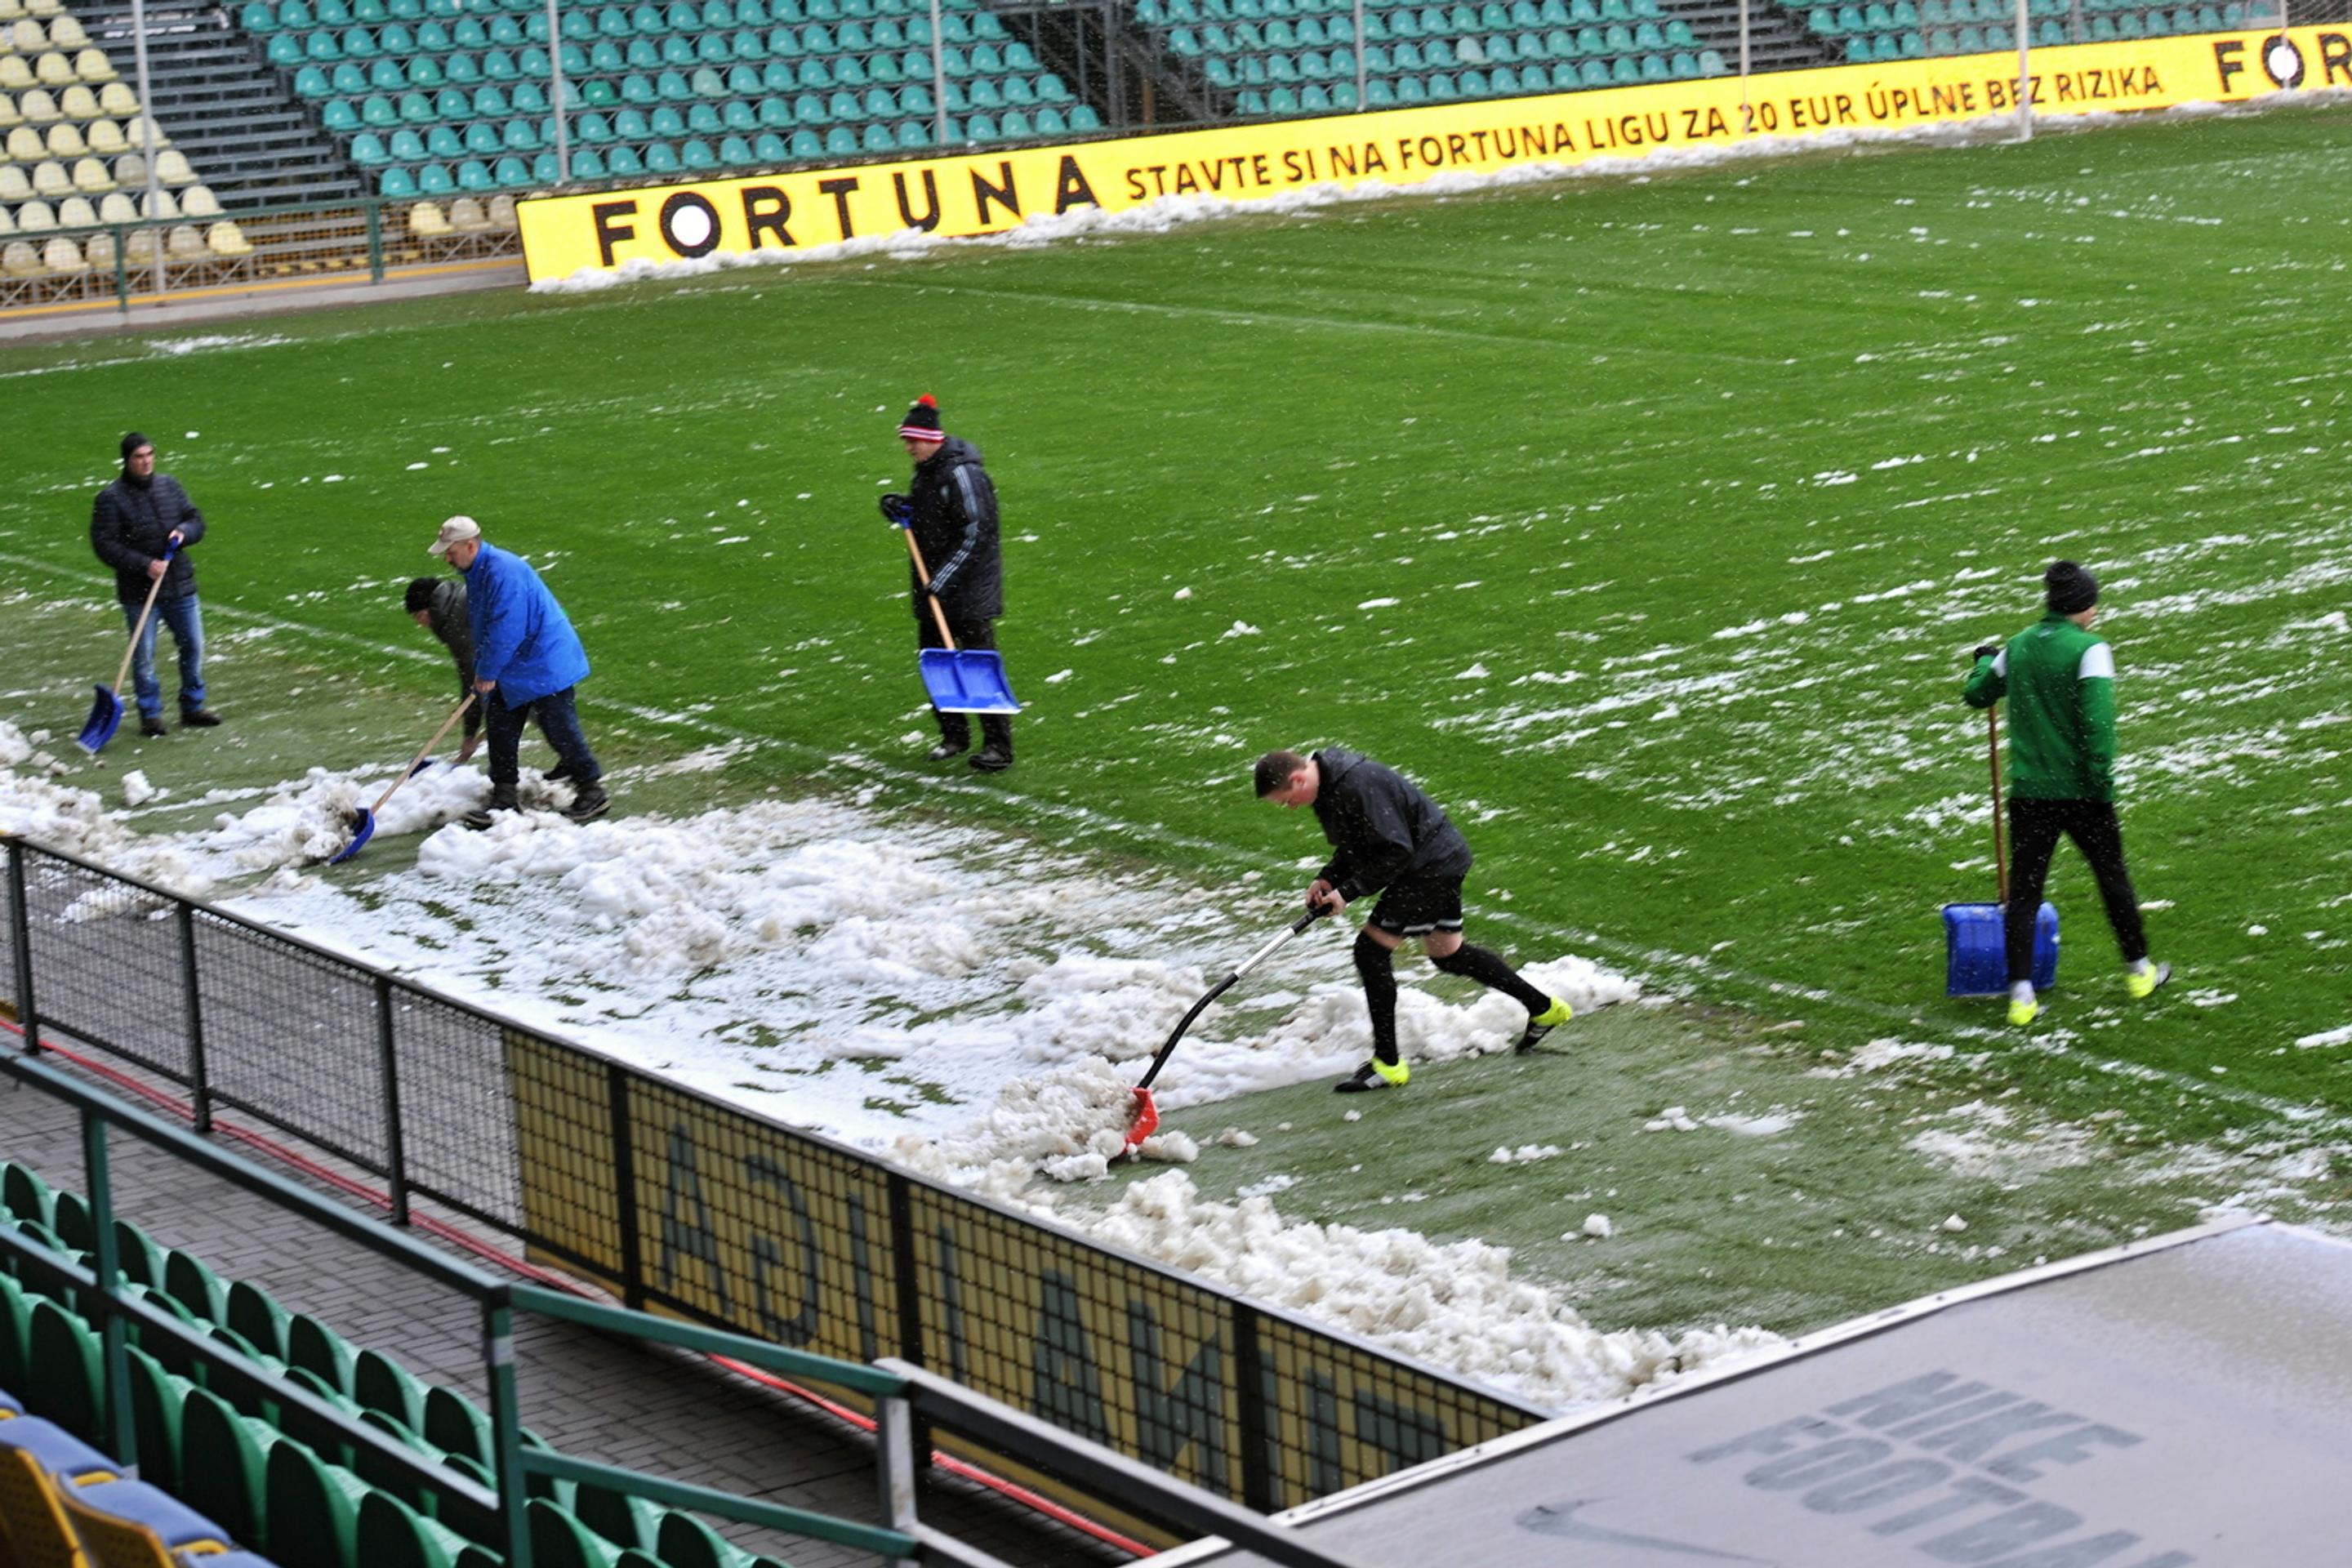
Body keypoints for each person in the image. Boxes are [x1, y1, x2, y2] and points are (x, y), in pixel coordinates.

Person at [1255, 747, 1572, 1092]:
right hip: (1437, 859)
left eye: (1286, 800)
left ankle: (1388, 1065)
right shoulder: (1330, 786)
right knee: (1449, 955)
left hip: (1427, 868)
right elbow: (1357, 844)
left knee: (1370, 952)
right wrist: (1329, 877)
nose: (1290, 808)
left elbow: (1394, 850)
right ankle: (1545, 1008)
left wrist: (1347, 893)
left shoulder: (1355, 785)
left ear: (1298, 778)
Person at [1965, 560, 2169, 1026]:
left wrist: (1982, 659)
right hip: (2082, 794)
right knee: (2111, 876)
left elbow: (1978, 694)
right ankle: (2139, 970)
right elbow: (2098, 726)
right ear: (2081, 606)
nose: (2096, 611)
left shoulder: (2016, 648)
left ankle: (2020, 996)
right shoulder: (2091, 650)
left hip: (2031, 794)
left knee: (2025, 892)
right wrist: (2100, 785)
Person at [425, 516, 608, 826]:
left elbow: (507, 628)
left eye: (450, 551)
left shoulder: (502, 572)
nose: (446, 558)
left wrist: (486, 672)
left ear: (470, 545)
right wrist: (487, 668)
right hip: (514, 664)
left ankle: (592, 790)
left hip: (544, 663)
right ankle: (505, 798)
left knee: (560, 730)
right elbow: (488, 628)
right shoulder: (477, 570)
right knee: (499, 728)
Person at [880, 394, 1011, 773]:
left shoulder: (962, 474)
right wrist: (899, 505)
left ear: (932, 438)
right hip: (935, 585)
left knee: (977, 664)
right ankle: (954, 736)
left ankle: (999, 748)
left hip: (967, 590)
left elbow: (977, 532)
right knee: (936, 662)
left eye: (912, 441)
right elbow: (933, 514)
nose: (908, 448)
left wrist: (943, 580)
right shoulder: (929, 470)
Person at [90, 432, 219, 737]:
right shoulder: (110, 499)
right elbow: (104, 544)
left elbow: (196, 519)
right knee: (143, 655)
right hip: (139, 591)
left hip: (179, 585)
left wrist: (184, 532)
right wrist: (144, 565)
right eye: (139, 456)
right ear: (127, 460)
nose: (146, 461)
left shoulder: (170, 487)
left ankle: (193, 706)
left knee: (194, 646)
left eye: (149, 455)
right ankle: (151, 714)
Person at [405, 577, 483, 764]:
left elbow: (471, 678)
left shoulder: (453, 623)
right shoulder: (454, 604)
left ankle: (505, 783)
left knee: (532, 710)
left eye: (418, 616)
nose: (420, 623)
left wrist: (469, 736)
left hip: (534, 659)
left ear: (428, 609)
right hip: (528, 653)